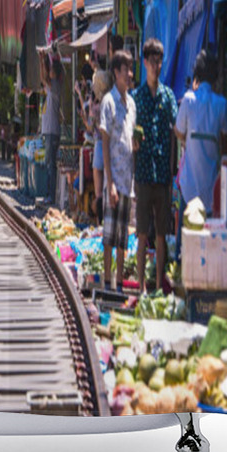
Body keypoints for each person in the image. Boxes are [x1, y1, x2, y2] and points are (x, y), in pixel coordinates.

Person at [131, 38, 178, 292]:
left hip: (162, 173)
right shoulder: (136, 97)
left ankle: (159, 285)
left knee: (161, 234)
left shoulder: (168, 95)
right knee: (141, 234)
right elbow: (129, 132)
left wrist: (173, 170)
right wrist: (133, 143)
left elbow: (175, 132)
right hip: (142, 173)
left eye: (160, 61)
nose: (156, 66)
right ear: (145, 62)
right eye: (152, 61)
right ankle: (140, 287)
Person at [174, 50, 227, 254]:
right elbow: (225, 136)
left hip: (189, 184)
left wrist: (187, 140)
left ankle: (181, 270)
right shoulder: (221, 104)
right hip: (210, 185)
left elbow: (178, 131)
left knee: (184, 238)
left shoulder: (188, 100)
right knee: (207, 240)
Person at [99, 50, 137, 292]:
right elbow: (104, 142)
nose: (130, 74)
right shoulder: (109, 102)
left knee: (122, 237)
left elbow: (129, 137)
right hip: (114, 180)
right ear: (116, 73)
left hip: (128, 180)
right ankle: (106, 283)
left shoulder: (131, 103)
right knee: (109, 237)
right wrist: (109, 182)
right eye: (126, 70)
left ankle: (119, 286)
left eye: (131, 69)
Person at [76, 69, 111, 224]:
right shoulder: (110, 102)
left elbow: (90, 127)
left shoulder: (96, 106)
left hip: (99, 144)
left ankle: (98, 210)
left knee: (98, 178)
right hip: (111, 144)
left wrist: (87, 109)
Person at [39, 48, 64, 205]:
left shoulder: (55, 86)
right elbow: (43, 78)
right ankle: (49, 194)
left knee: (50, 165)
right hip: (49, 131)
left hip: (52, 131)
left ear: (54, 73)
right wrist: (42, 61)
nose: (50, 73)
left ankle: (50, 196)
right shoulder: (52, 87)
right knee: (49, 164)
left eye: (51, 71)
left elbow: (44, 78)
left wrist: (42, 61)